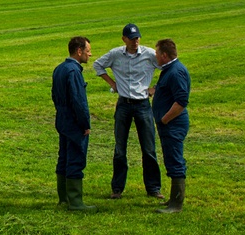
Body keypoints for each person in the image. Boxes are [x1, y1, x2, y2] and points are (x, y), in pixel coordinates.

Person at [92, 23, 163, 199]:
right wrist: (112, 83)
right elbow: (98, 65)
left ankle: (153, 188)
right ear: (124, 39)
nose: (135, 41)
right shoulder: (116, 54)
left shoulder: (148, 54)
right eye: (131, 39)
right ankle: (117, 188)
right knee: (120, 148)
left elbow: (167, 67)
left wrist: (155, 88)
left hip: (143, 105)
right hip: (123, 104)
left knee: (148, 148)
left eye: (137, 38)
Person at [51, 36, 96, 211]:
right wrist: (85, 124)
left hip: (62, 119)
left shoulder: (59, 69)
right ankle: (76, 201)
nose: (90, 54)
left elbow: (54, 95)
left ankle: (63, 198)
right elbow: (79, 101)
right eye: (88, 51)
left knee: (63, 158)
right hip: (74, 122)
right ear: (79, 51)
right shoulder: (74, 71)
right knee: (76, 158)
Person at [151, 39, 190, 213]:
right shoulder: (170, 70)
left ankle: (176, 204)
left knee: (175, 160)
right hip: (169, 124)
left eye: (157, 53)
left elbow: (181, 101)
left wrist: (165, 119)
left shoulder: (175, 72)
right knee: (171, 158)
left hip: (173, 124)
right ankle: (173, 199)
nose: (155, 56)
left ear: (164, 55)